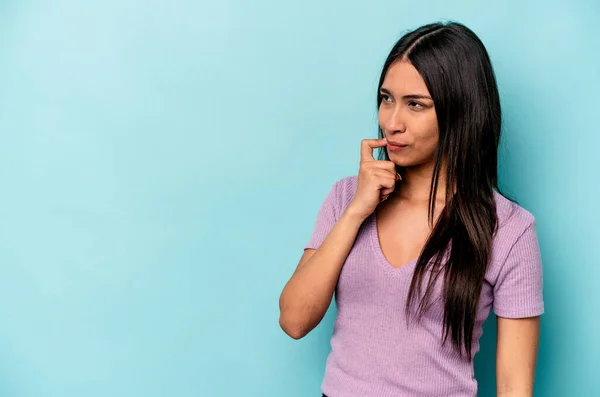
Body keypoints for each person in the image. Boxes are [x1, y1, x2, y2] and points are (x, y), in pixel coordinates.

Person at [278, 21, 544, 397]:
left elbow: (514, 386)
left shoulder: (510, 229)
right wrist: (357, 211)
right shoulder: (345, 198)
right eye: (386, 98)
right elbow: (294, 320)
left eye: (415, 104)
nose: (391, 122)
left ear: (460, 111)